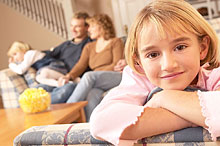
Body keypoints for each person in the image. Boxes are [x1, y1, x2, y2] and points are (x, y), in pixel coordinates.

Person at [90, 0, 220, 145]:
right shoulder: (140, 78)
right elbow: (102, 122)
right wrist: (196, 116)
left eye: (180, 47)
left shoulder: (213, 74)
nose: (168, 65)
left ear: (202, 48)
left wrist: (164, 98)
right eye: (152, 55)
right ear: (139, 63)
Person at [61, 14, 124, 120]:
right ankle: (90, 128)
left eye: (92, 26)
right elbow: (81, 65)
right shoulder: (89, 47)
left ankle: (66, 112)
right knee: (92, 93)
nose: (89, 29)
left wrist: (96, 73)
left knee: (89, 76)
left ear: (102, 26)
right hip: (98, 80)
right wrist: (69, 76)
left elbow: (116, 65)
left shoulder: (116, 42)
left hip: (115, 76)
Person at [36, 12, 93, 103]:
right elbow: (48, 54)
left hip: (73, 81)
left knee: (64, 91)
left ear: (86, 27)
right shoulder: (66, 45)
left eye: (77, 26)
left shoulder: (90, 45)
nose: (73, 30)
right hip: (57, 79)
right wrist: (27, 55)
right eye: (71, 26)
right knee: (35, 90)